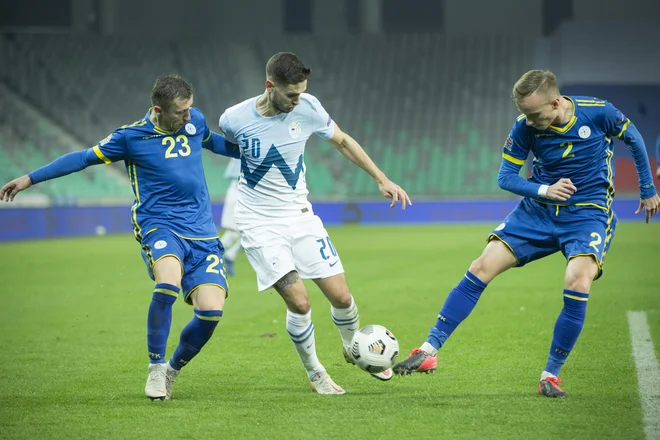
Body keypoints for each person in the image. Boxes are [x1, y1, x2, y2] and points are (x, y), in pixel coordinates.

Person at [392, 70, 659, 398]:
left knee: (577, 280)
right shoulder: (524, 127)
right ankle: (428, 351)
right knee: (480, 266)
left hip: (587, 214)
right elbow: (505, 177)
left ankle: (551, 374)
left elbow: (634, 138)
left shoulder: (599, 112)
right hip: (538, 211)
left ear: (556, 103)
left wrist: (647, 188)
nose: (529, 121)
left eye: (535, 114)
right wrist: (545, 190)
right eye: (525, 114)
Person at [0, 74, 240, 401]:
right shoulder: (130, 137)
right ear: (158, 109)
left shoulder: (193, 120)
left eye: (190, 110)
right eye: (180, 112)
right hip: (159, 225)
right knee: (168, 281)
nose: (188, 117)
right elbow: (83, 158)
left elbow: (214, 142)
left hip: (201, 231)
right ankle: (155, 368)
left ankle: (171, 370)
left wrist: (254, 153)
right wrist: (30, 178)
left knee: (211, 311)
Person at [218, 52, 411, 394]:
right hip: (259, 223)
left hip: (300, 216)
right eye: (291, 94)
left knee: (341, 297)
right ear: (269, 86)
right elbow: (228, 147)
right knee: (301, 302)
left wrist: (381, 178)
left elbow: (342, 140)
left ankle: (355, 347)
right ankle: (316, 372)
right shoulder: (233, 118)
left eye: (301, 92)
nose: (297, 100)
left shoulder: (309, 107)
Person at [219, 158, 243, 276]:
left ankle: (227, 256)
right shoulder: (241, 153)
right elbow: (230, 174)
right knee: (235, 232)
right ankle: (215, 255)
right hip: (237, 191)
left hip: (244, 193)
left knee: (242, 233)